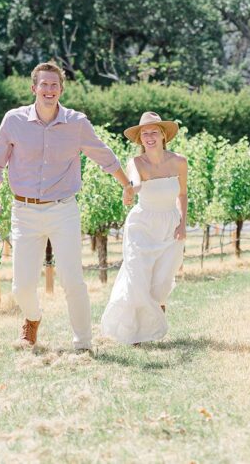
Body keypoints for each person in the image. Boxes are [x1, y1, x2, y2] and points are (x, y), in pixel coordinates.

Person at [0, 62, 134, 351]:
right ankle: (32, 318)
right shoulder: (13, 121)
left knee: (72, 279)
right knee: (22, 286)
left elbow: (104, 155)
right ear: (34, 88)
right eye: (44, 84)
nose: (49, 90)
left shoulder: (76, 123)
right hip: (24, 212)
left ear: (61, 90)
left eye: (54, 85)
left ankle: (83, 343)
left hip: (63, 209)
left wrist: (126, 183)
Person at [100, 112, 187, 345]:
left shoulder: (179, 161)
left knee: (160, 281)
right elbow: (136, 184)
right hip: (142, 224)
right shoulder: (136, 163)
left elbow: (182, 194)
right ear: (140, 139)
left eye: (153, 132)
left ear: (163, 135)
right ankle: (132, 332)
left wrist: (182, 224)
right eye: (144, 133)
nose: (149, 136)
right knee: (137, 276)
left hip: (169, 224)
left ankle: (152, 322)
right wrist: (129, 191)